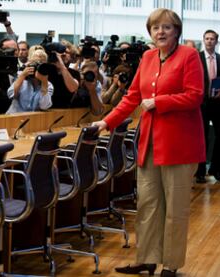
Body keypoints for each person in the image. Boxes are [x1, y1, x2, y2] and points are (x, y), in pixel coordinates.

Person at [93, 8, 204, 277]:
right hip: (150, 143)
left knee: (174, 209)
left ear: (176, 30)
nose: (161, 32)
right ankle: (148, 259)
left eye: (167, 27)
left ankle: (171, 264)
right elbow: (132, 97)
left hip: (180, 144)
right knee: (148, 205)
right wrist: (105, 122)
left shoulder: (189, 55)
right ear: (150, 32)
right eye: (156, 28)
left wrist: (159, 102)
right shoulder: (147, 56)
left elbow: (195, 96)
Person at [195, 30, 220, 182]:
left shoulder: (219, 58)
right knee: (201, 136)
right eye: (207, 39)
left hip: (217, 102)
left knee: (219, 135)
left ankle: (215, 169)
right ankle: (200, 171)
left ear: (216, 41)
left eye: (212, 39)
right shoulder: (196, 57)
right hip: (201, 103)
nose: (209, 41)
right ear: (203, 40)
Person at [6, 49, 53, 114]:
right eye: (35, 63)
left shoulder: (48, 85)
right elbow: (10, 95)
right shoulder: (22, 78)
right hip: (15, 116)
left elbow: (44, 106)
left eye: (41, 64)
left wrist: (44, 82)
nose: (38, 67)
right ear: (30, 63)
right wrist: (23, 75)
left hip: (32, 119)